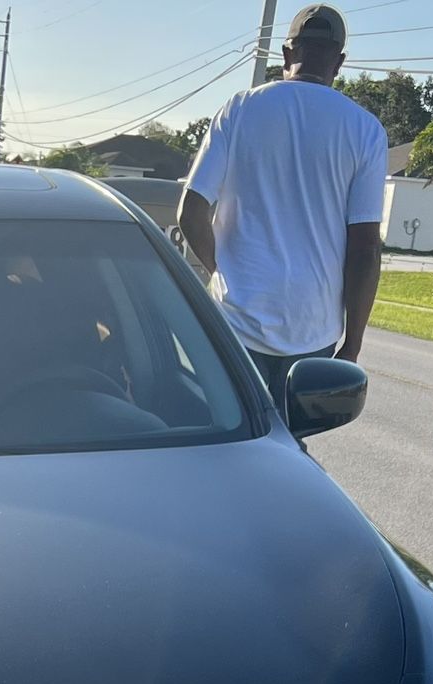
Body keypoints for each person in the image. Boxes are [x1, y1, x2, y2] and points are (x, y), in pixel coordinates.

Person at [177, 5, 387, 410]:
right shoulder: (365, 130)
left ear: (287, 53)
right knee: (291, 440)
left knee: (233, 434)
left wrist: (221, 272)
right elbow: (366, 248)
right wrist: (353, 345)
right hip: (313, 331)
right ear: (339, 62)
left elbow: (191, 210)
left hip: (235, 322)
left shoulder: (239, 109)